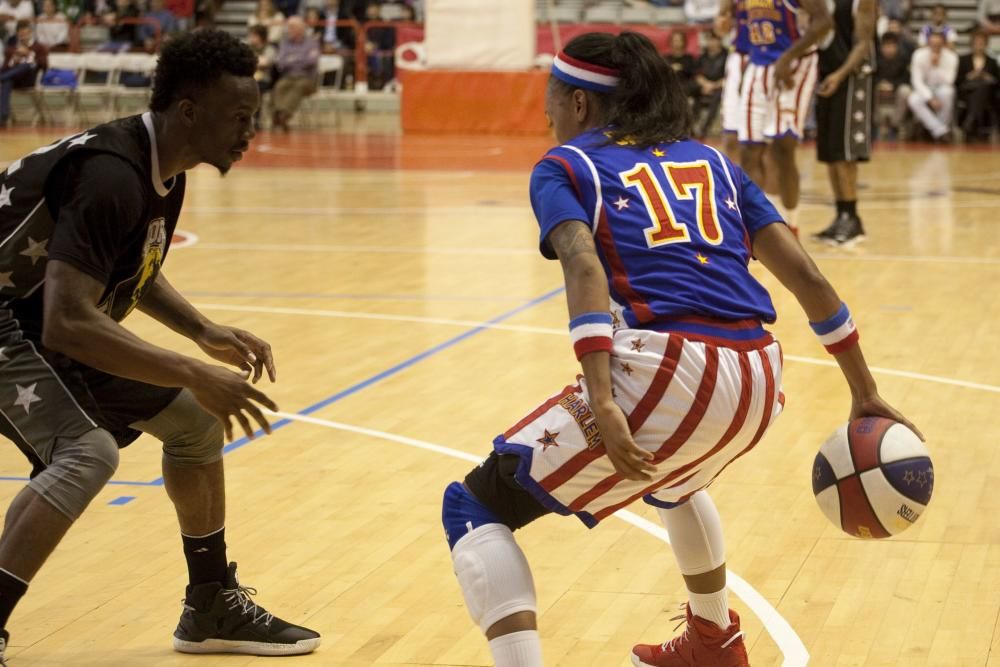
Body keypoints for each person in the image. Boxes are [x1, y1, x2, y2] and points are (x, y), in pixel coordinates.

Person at [440, 30, 921, 667]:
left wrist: (604, 399)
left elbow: (583, 269)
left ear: (580, 105)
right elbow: (808, 277)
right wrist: (863, 390)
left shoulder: (565, 166)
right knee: (676, 483)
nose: (545, 113)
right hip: (759, 376)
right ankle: (713, 639)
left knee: (473, 505)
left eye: (551, 99)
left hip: (670, 371)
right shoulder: (716, 162)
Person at [0, 29, 320, 663]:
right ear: (190, 112)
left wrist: (201, 331)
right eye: (239, 117)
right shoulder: (112, 176)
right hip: (16, 326)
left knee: (196, 426)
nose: (249, 131)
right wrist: (192, 367)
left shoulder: (159, 167)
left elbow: (123, 267)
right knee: (85, 453)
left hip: (37, 324)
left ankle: (209, 607)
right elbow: (68, 320)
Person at [739, 0, 833, 233]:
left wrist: (788, 57)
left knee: (783, 146)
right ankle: (751, 227)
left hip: (794, 62)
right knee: (749, 150)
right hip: (758, 64)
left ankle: (791, 224)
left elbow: (824, 21)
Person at [812, 0, 876, 245]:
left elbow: (863, 43)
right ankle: (841, 215)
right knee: (830, 153)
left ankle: (852, 216)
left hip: (852, 78)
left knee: (845, 152)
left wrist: (840, 75)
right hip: (827, 74)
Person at [715, 0, 750, 160]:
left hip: (770, 59)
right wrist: (724, 14)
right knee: (731, 136)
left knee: (760, 143)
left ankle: (761, 185)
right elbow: (721, 28)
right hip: (738, 57)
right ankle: (733, 182)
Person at [907, 29, 958, 141]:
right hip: (925, 88)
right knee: (913, 99)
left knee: (947, 93)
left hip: (942, 87)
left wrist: (936, 66)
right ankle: (941, 131)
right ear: (928, 43)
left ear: (944, 43)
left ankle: (936, 131)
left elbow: (949, 80)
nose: (935, 47)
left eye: (938, 45)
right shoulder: (918, 55)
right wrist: (929, 98)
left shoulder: (951, 57)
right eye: (932, 44)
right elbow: (916, 81)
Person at [272, 15, 319, 130]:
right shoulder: (285, 43)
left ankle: (282, 115)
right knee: (279, 86)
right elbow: (280, 62)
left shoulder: (312, 42)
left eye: (292, 27)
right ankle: (281, 114)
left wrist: (292, 59)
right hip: (288, 76)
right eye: (288, 27)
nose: (289, 29)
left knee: (298, 87)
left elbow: (311, 61)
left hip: (308, 79)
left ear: (301, 28)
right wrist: (300, 58)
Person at [0, 19, 46, 128]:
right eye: (21, 34)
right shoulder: (11, 49)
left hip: (29, 80)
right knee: (7, 81)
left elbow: (44, 65)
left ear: (30, 33)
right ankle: (3, 116)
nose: (23, 37)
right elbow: (4, 68)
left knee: (26, 65)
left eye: (25, 34)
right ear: (17, 34)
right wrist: (12, 62)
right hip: (14, 80)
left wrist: (29, 53)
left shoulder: (39, 47)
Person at [956, 30, 999, 142]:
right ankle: (974, 123)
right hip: (968, 91)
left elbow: (997, 80)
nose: (979, 45)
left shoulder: (992, 61)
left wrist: (988, 77)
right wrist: (970, 76)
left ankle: (970, 122)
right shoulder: (963, 59)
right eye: (977, 43)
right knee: (980, 90)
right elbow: (957, 80)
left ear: (986, 44)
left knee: (983, 88)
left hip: (987, 92)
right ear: (972, 44)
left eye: (982, 43)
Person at [874, 32, 912, 139]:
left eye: (891, 45)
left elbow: (906, 78)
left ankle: (895, 123)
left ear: (896, 46)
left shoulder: (904, 59)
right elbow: (872, 76)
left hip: (897, 89)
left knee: (905, 91)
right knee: (872, 89)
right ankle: (879, 124)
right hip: (879, 88)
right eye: (886, 45)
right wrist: (880, 83)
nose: (889, 49)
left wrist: (892, 86)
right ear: (881, 47)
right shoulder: (876, 59)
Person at [693, 31, 727, 138]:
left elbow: (729, 76)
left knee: (716, 97)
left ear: (719, 41)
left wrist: (714, 85)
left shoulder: (727, 56)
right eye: (709, 40)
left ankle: (705, 128)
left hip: (720, 86)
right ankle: (690, 126)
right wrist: (705, 84)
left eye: (714, 40)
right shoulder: (703, 56)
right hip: (705, 85)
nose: (711, 42)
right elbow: (697, 74)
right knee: (695, 93)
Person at [247, 23, 276, 129]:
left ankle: (256, 119)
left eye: (254, 36)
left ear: (261, 36)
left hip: (264, 80)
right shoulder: (248, 48)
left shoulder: (269, 49)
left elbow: (265, 62)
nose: (251, 38)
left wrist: (251, 62)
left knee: (256, 88)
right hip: (249, 78)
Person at [664, 30, 698, 99]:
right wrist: (671, 69)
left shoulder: (689, 58)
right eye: (674, 40)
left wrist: (681, 68)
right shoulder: (665, 58)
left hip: (686, 86)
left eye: (679, 40)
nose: (676, 43)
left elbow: (693, 74)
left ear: (683, 42)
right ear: (670, 42)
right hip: (670, 87)